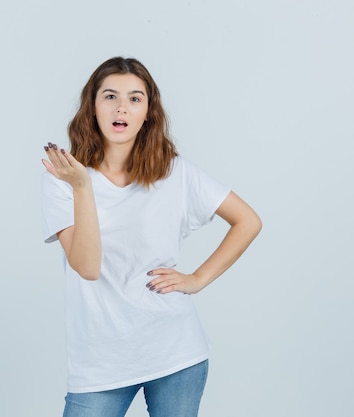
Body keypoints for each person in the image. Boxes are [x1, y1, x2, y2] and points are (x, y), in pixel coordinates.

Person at [40, 57, 262, 417]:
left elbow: (248, 221)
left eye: (135, 98)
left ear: (148, 112)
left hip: (175, 351)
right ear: (92, 107)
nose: (121, 107)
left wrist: (197, 279)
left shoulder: (174, 171)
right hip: (99, 361)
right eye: (110, 96)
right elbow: (87, 266)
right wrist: (82, 187)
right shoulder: (63, 177)